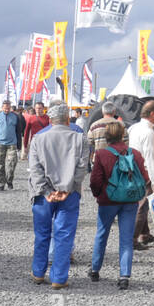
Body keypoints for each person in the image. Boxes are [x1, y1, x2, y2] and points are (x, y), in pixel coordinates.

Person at [28, 102, 90, 288]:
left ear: (50, 119)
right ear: (67, 119)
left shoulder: (38, 139)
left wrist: (47, 191)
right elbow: (82, 168)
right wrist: (67, 189)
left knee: (42, 233)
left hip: (42, 194)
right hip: (69, 193)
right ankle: (59, 277)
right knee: (64, 235)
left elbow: (35, 169)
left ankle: (38, 272)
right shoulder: (80, 138)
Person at [89, 120, 150, 289]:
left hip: (108, 200)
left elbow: (95, 180)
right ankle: (124, 276)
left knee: (102, 234)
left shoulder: (101, 154)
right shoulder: (135, 154)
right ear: (123, 135)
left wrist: (99, 195)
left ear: (107, 136)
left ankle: (95, 270)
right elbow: (145, 178)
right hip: (129, 200)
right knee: (126, 239)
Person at [127, 100, 154, 248]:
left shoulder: (133, 128)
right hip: (144, 172)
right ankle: (133, 239)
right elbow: (151, 158)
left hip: (132, 169)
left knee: (141, 204)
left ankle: (144, 234)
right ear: (152, 114)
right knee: (142, 206)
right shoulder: (149, 133)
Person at [0, 99, 22, 191]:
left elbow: (18, 131)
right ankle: (1, 182)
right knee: (0, 164)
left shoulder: (15, 117)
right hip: (0, 143)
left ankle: (9, 180)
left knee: (12, 163)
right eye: (5, 108)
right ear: (2, 108)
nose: (6, 110)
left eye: (8, 108)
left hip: (12, 144)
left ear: (10, 108)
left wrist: (19, 144)